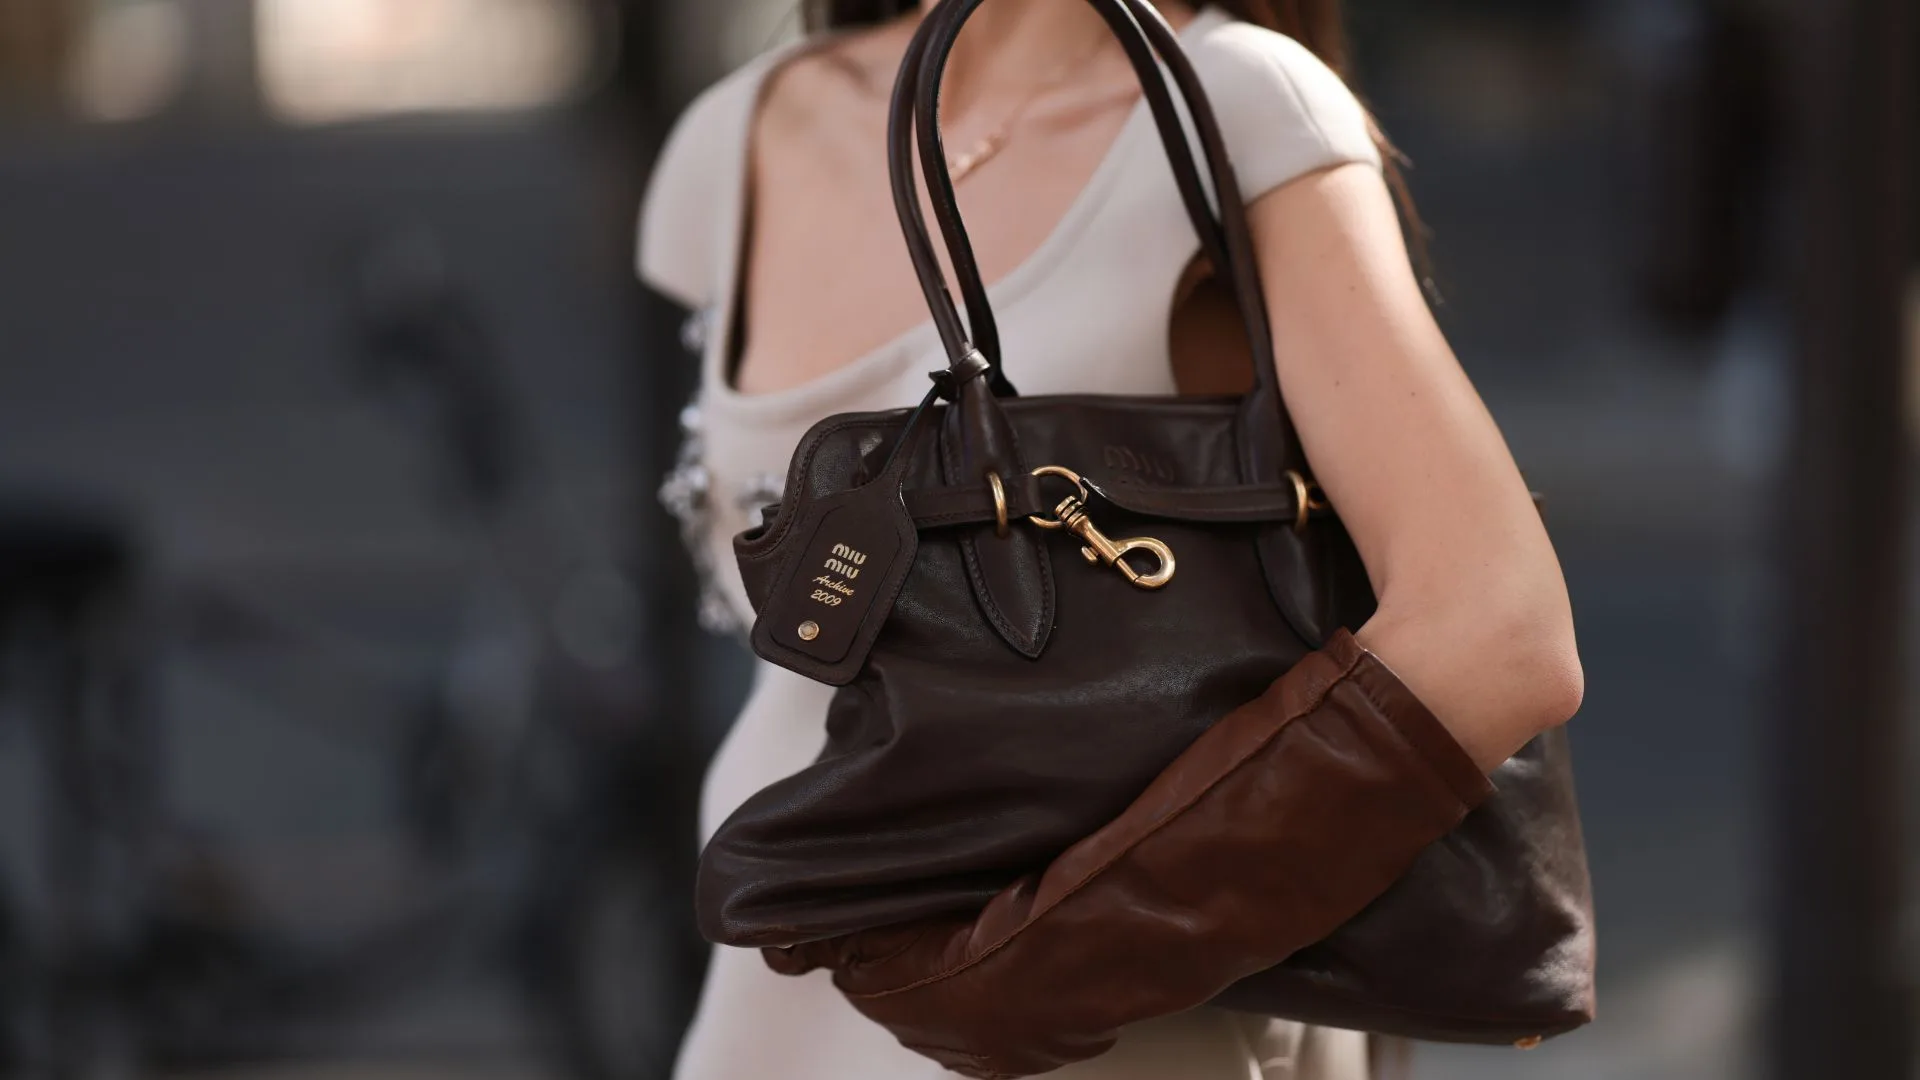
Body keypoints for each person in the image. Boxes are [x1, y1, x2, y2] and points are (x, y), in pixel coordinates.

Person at [640, 1, 1583, 1077]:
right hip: (774, 1024)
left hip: (1109, 1031)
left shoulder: (1240, 102)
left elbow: (1498, 630)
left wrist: (1026, 972)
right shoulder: (747, 128)